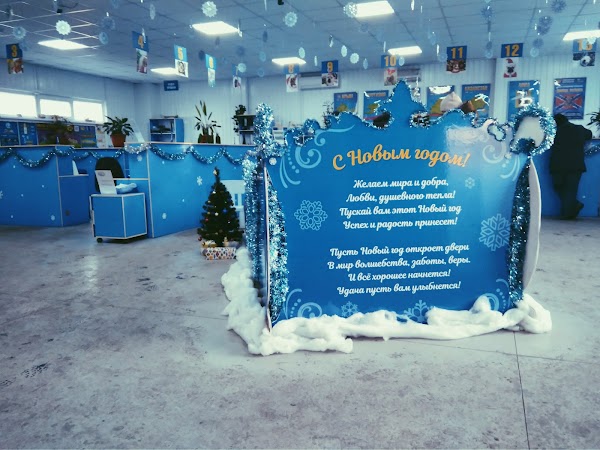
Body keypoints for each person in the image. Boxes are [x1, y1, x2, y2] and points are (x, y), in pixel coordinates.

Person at [549, 113, 592, 219]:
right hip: (575, 165)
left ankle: (570, 210)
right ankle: (570, 210)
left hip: (558, 165)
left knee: (559, 187)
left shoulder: (553, 132)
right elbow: (589, 134)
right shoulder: (579, 129)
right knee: (571, 189)